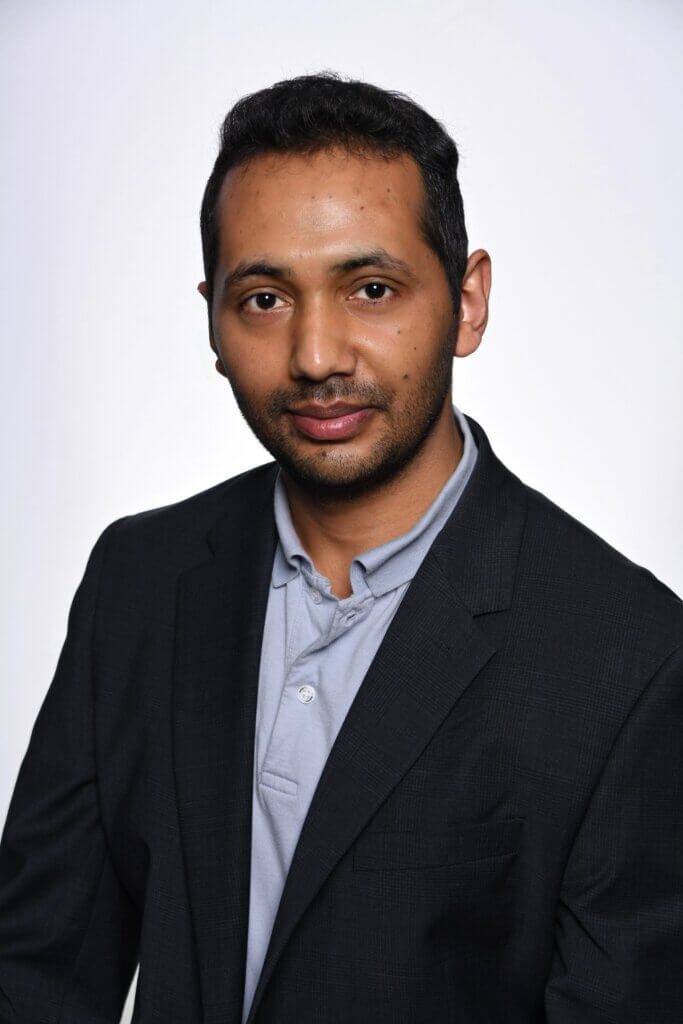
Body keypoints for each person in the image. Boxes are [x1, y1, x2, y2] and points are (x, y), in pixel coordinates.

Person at [1, 71, 682, 1024]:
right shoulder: (139, 581)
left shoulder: (631, 656)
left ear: (468, 300)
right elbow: (37, 967)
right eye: (266, 298)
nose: (317, 354)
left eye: (370, 288)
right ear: (211, 317)